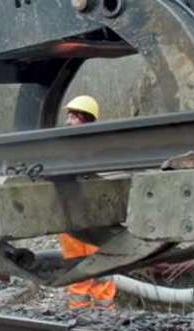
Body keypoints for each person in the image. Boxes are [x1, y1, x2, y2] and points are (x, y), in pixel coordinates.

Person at [58, 95, 117, 309]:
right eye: (68, 116)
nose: (68, 121)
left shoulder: (100, 147)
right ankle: (79, 313)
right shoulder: (60, 147)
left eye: (73, 116)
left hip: (95, 217)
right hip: (69, 217)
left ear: (86, 118)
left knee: (101, 265)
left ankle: (105, 312)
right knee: (76, 267)